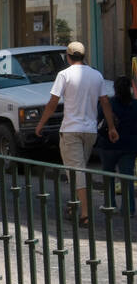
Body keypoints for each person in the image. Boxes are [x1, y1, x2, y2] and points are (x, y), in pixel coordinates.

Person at [36, 41, 117, 226]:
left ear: (68, 56)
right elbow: (105, 103)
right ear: (84, 55)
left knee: (77, 171)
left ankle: (85, 215)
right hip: (90, 131)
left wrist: (41, 123)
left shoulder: (63, 75)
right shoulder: (96, 75)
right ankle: (73, 206)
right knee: (76, 170)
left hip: (71, 130)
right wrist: (111, 127)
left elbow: (52, 102)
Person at [97, 75, 137, 216]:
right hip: (129, 147)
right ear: (130, 89)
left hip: (108, 145)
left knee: (108, 176)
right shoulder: (135, 105)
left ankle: (110, 205)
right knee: (127, 178)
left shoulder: (108, 104)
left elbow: (99, 122)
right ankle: (129, 209)